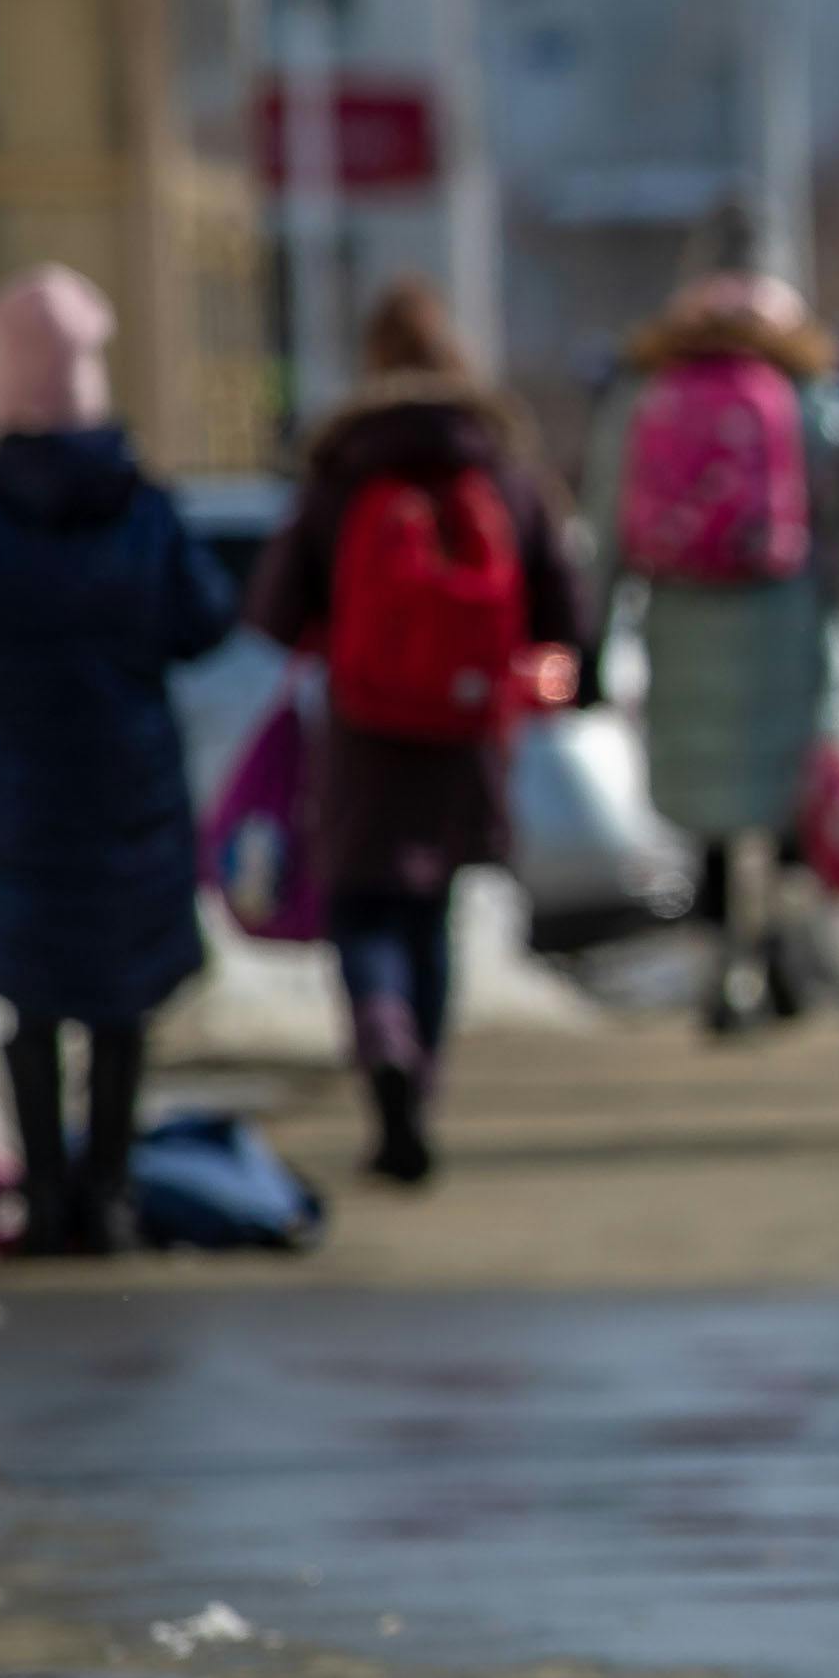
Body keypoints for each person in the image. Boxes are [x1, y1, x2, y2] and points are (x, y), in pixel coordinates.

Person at [0, 269, 238, 1253]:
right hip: (128, 779)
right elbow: (205, 620)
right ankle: (112, 1194)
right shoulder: (145, 508)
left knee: (31, 997)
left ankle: (45, 1195)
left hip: (17, 784)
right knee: (123, 999)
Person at [245, 281, 594, 1186]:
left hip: (364, 727)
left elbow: (278, 611)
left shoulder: (344, 464)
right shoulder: (501, 466)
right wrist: (544, 687)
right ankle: (422, 1082)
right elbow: (561, 612)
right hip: (470, 727)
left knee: (362, 906)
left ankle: (382, 1042)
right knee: (432, 912)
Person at [585, 270, 839, 1034]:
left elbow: (606, 520)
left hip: (680, 621)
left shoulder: (644, 395)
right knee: (782, 800)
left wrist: (596, 631)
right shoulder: (807, 396)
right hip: (783, 623)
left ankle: (718, 970)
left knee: (704, 811)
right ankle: (776, 954)